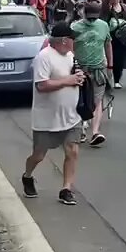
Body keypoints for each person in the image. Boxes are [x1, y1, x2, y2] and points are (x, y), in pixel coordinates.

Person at [21, 23, 86, 205]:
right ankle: (27, 175)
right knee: (39, 155)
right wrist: (69, 80)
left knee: (72, 151)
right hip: (47, 118)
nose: (75, 42)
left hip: (71, 115)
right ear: (64, 41)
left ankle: (66, 189)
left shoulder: (71, 56)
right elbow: (41, 85)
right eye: (73, 39)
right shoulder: (44, 57)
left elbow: (71, 76)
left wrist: (79, 77)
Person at [69, 1, 114, 147]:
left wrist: (110, 65)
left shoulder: (103, 25)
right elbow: (70, 48)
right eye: (90, 17)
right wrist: (73, 66)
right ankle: (81, 128)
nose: (92, 20)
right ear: (84, 14)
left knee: (97, 101)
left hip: (99, 68)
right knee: (81, 101)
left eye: (95, 17)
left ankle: (95, 132)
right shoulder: (75, 27)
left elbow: (108, 44)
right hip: (81, 69)